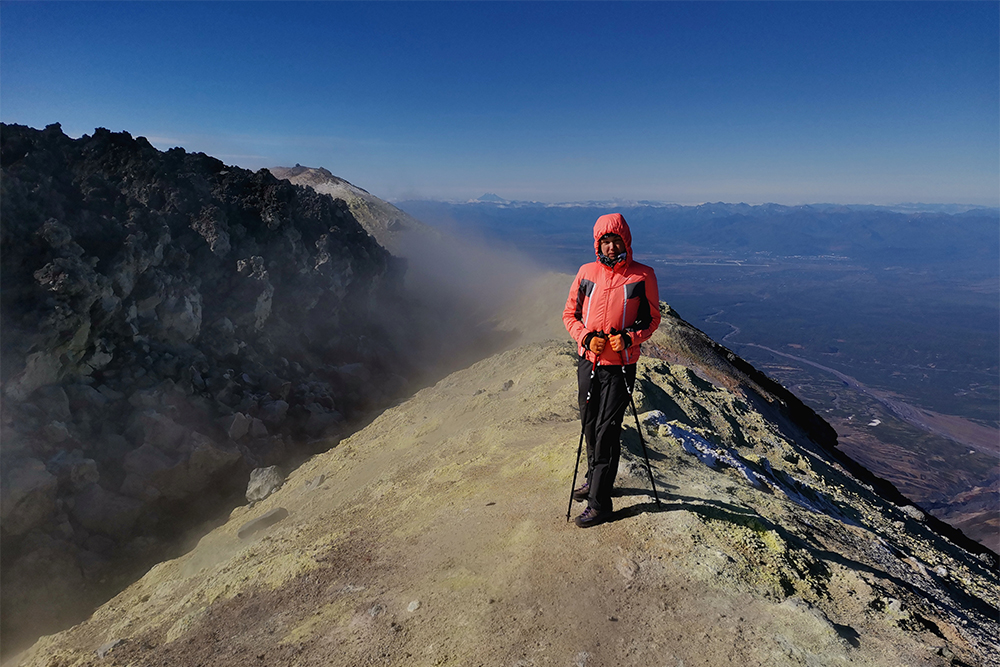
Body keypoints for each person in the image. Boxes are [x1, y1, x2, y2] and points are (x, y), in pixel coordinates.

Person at [562, 213, 661, 528]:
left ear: (626, 242)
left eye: (616, 240)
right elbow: (570, 314)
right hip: (589, 361)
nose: (611, 246)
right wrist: (586, 337)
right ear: (597, 244)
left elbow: (651, 319)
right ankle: (594, 479)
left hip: (621, 366)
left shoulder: (642, 276)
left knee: (606, 432)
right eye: (605, 241)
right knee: (590, 425)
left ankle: (600, 503)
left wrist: (629, 338)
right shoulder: (586, 273)